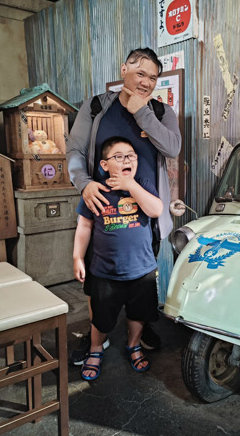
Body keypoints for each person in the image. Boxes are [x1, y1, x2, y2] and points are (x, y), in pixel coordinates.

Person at [66, 47, 182, 365]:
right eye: (140, 73)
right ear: (124, 70)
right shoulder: (95, 106)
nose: (145, 82)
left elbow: (172, 147)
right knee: (98, 282)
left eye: (153, 77)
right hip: (102, 208)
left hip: (146, 215)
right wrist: (83, 183)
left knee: (141, 283)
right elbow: (75, 149)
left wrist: (140, 110)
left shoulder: (160, 112)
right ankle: (98, 341)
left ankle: (137, 334)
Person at [73, 137, 163, 380]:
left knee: (138, 314)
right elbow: (84, 227)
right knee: (101, 317)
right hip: (105, 271)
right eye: (119, 156)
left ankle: (133, 345)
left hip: (141, 269)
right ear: (104, 165)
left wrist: (131, 185)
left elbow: (155, 210)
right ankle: (95, 349)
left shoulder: (143, 185)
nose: (127, 160)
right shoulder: (95, 191)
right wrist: (78, 258)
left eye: (131, 155)